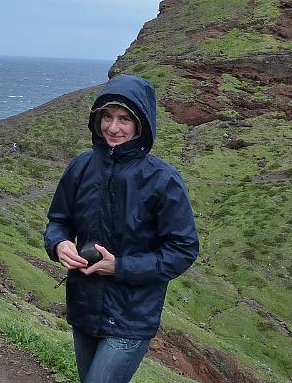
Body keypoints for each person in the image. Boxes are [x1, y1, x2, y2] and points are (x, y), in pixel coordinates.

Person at [44, 74, 199, 383]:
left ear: (141, 123)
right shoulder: (81, 167)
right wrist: (59, 244)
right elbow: (58, 221)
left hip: (131, 314)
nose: (113, 128)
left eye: (124, 119)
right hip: (84, 307)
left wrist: (120, 266)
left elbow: (183, 249)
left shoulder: (162, 179)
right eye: (107, 117)